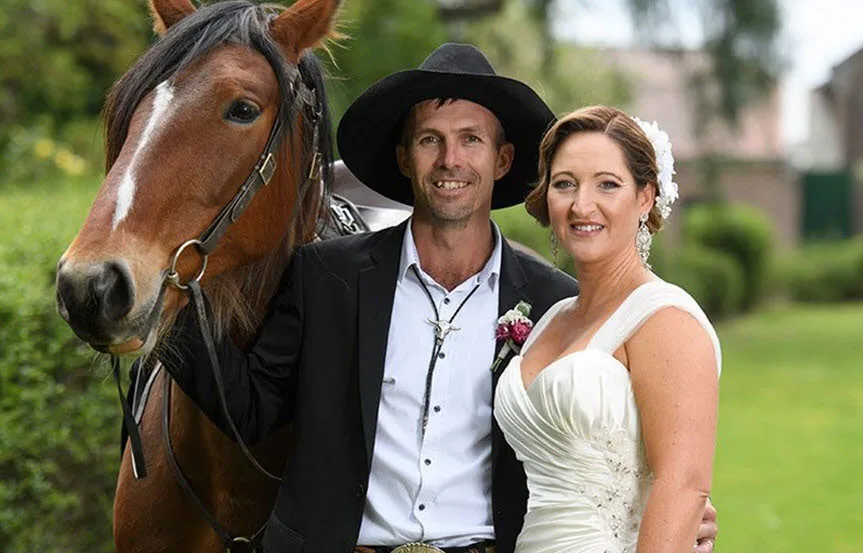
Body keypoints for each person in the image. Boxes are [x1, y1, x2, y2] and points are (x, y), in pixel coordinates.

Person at [167, 45, 717, 553]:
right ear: (405, 158)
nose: (451, 159)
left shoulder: (553, 304)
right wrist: (156, 306)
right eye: (431, 139)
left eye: (471, 139)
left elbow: (614, 446)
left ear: (502, 161)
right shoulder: (323, 276)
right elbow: (251, 411)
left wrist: (671, 508)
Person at [494, 105, 722, 553]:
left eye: (607, 184)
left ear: (644, 197)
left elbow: (683, 485)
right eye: (564, 184)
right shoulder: (548, 319)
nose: (582, 205)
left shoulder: (665, 319)